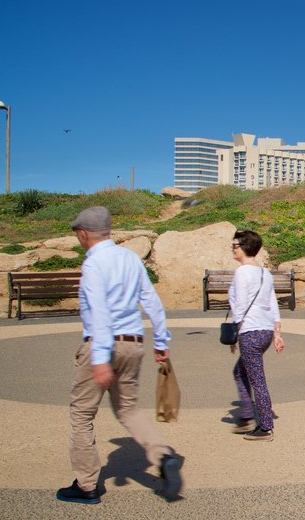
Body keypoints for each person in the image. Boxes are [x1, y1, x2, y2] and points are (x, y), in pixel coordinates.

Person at [57, 206, 184, 505]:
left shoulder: (93, 265)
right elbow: (151, 300)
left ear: (84, 234)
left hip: (103, 344)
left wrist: (100, 359)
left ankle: (86, 485)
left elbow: (99, 313)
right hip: (134, 343)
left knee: (82, 415)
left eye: (78, 233)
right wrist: (161, 341)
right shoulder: (130, 258)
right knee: (127, 409)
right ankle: (162, 455)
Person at [228, 230, 284, 441]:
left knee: (257, 380)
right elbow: (273, 304)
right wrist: (277, 333)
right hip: (265, 331)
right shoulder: (264, 273)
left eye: (234, 246)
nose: (232, 249)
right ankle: (246, 413)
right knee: (240, 372)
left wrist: (235, 334)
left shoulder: (242, 273)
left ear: (244, 247)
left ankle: (265, 426)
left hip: (250, 331)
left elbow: (240, 305)